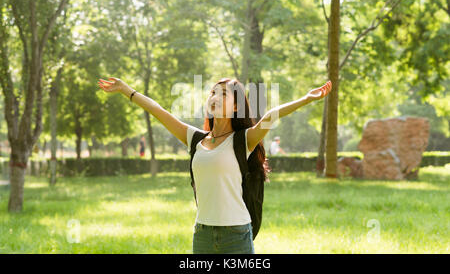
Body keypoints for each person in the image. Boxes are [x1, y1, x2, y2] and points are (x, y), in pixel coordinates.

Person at [98, 76, 332, 253]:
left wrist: (306, 99)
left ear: (236, 106)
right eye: (212, 92)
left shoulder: (243, 140)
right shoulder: (195, 139)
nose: (214, 98)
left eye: (223, 94)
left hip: (236, 235)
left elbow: (271, 115)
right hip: (202, 234)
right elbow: (158, 111)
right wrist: (126, 90)